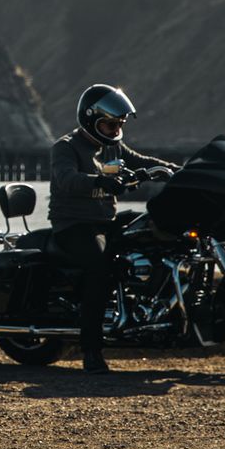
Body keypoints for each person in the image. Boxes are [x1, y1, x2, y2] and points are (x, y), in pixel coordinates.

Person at [50, 83, 176, 375]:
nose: (114, 129)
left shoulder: (113, 145)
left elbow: (140, 161)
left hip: (107, 221)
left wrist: (173, 169)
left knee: (155, 230)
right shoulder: (66, 147)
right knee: (99, 267)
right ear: (91, 119)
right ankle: (91, 350)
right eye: (109, 124)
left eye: (118, 124)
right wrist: (99, 181)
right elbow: (66, 178)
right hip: (74, 225)